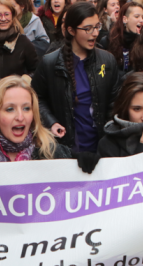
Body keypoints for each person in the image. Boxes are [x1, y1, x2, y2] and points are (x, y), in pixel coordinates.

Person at [32, 2, 120, 153]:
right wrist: (51, 122)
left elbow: (115, 103)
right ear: (71, 30)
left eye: (97, 26)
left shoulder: (107, 60)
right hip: (64, 150)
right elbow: (35, 98)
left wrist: (109, 138)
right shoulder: (50, 63)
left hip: (101, 148)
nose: (95, 33)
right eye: (88, 29)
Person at [0, 75, 73, 161]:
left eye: (26, 108)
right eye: (10, 109)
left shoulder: (52, 152)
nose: (20, 117)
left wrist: (78, 164)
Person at [0, 0, 39, 78]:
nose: (3, 19)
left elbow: (36, 70)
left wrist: (25, 80)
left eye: (6, 14)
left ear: (12, 16)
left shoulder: (23, 42)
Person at [99, 2, 143, 73]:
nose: (141, 20)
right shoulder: (108, 40)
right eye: (137, 16)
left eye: (142, 17)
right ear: (125, 19)